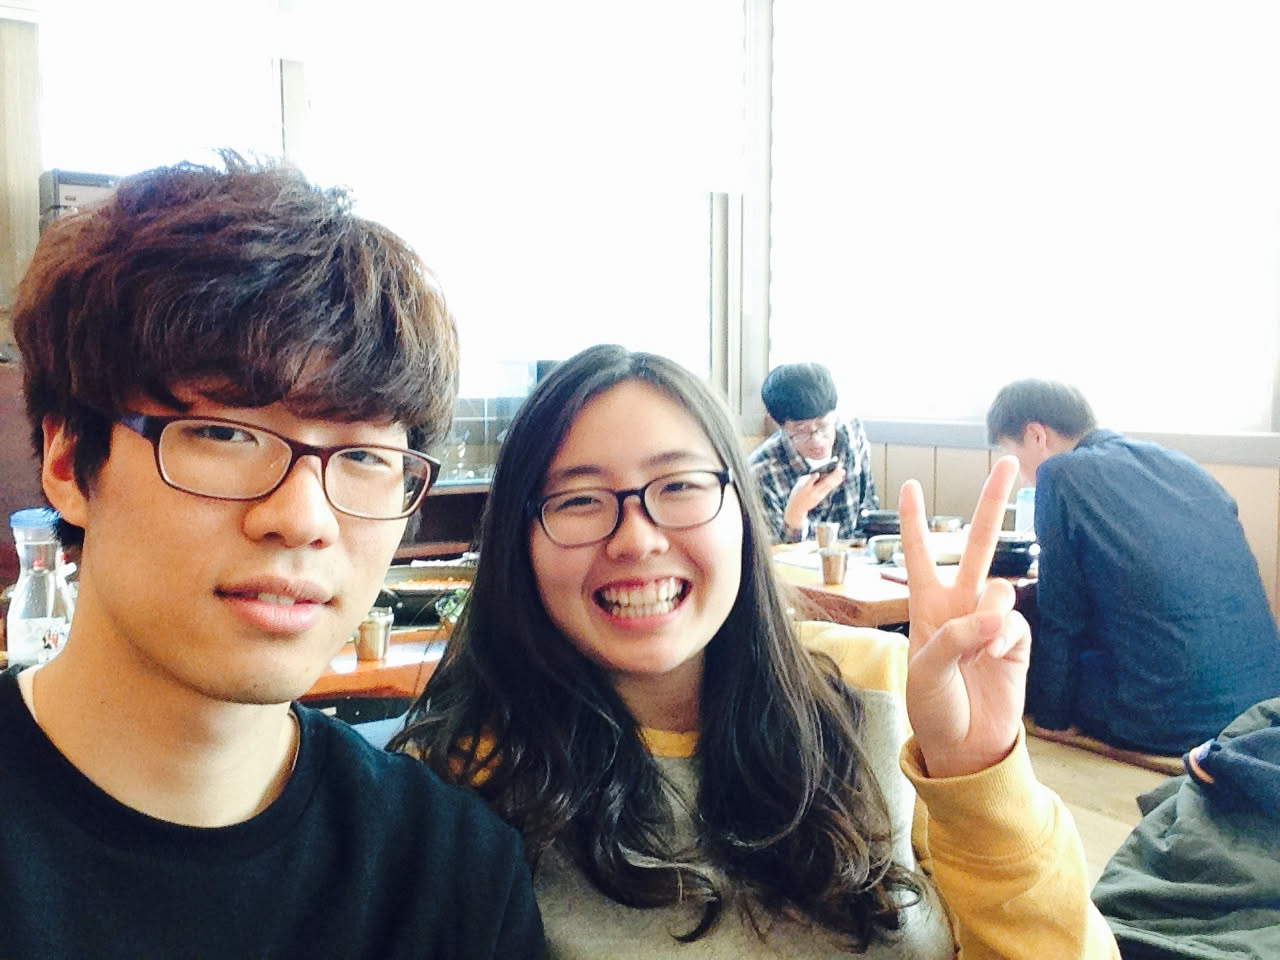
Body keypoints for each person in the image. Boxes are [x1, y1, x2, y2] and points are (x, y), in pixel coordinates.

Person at [393, 344, 1119, 958]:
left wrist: (979, 776)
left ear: (739, 510)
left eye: (679, 485)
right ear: (519, 541)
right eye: (578, 499)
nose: (637, 539)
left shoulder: (883, 687)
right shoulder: (461, 783)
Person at [2, 154, 542, 957]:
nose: (303, 519)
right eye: (225, 433)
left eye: (365, 456)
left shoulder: (450, 876)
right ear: (67, 462)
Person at [987, 378, 1280, 756]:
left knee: (1016, 648)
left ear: (1036, 435)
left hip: (1175, 721)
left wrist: (1051, 719)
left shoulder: (1060, 473)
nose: (1023, 477)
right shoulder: (1178, 464)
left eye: (1012, 455)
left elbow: (1062, 613)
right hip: (1261, 706)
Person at [747, 362, 878, 542]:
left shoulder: (852, 433)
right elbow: (769, 554)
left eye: (823, 426)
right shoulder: (760, 472)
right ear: (777, 423)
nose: (817, 441)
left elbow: (869, 510)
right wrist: (795, 516)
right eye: (801, 431)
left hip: (855, 556)